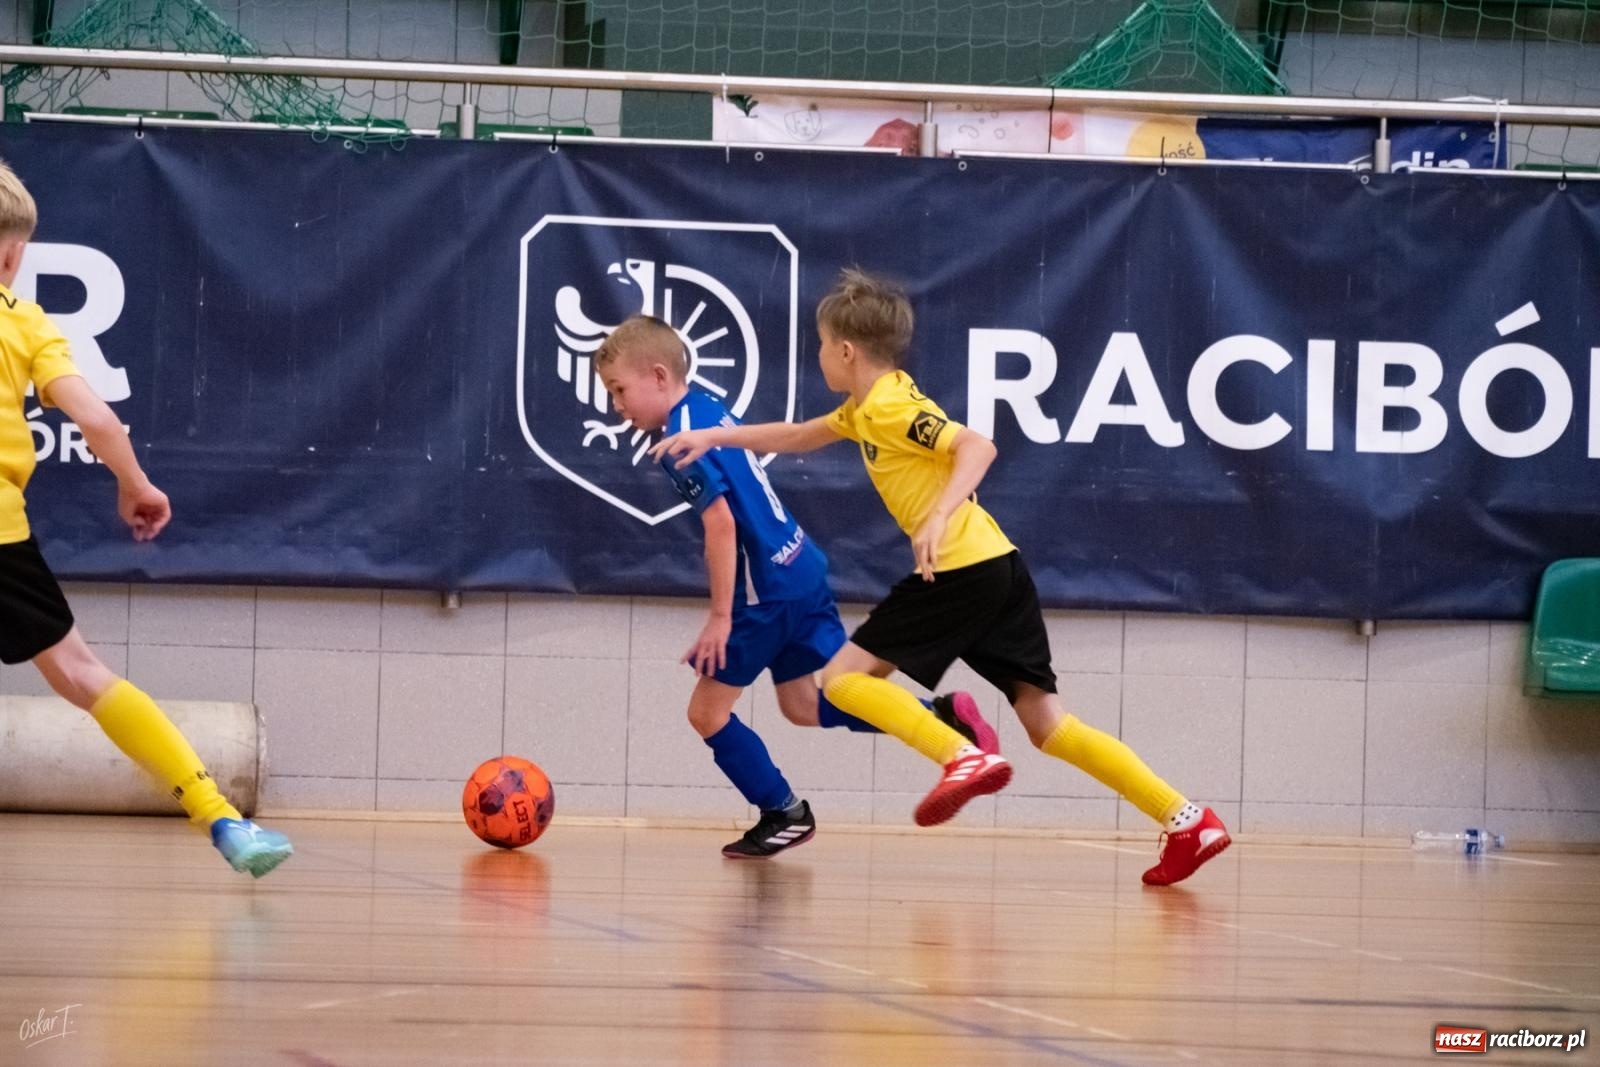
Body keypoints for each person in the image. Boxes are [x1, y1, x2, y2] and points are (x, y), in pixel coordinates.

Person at [654, 269, 1230, 886]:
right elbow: (797, 436)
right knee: (1050, 726)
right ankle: (1186, 819)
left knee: (842, 681)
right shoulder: (865, 408)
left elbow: (977, 446)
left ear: (846, 351)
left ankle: (959, 754)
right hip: (1000, 568)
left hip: (960, 568)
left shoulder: (891, 407)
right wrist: (713, 436)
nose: (817, 355)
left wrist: (936, 515)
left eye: (820, 345)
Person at [595, 315, 997, 858]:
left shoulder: (678, 440)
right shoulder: (706, 407)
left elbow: (722, 525)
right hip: (800, 567)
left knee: (706, 713)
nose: (616, 405)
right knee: (807, 703)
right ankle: (940, 718)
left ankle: (782, 812)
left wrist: (721, 617)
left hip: (764, 592)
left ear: (659, 376)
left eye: (619, 390)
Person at [0, 159, 292, 878]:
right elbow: (96, 418)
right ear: (12, 254)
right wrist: (135, 484)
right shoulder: (23, 323)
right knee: (83, 675)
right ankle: (219, 817)